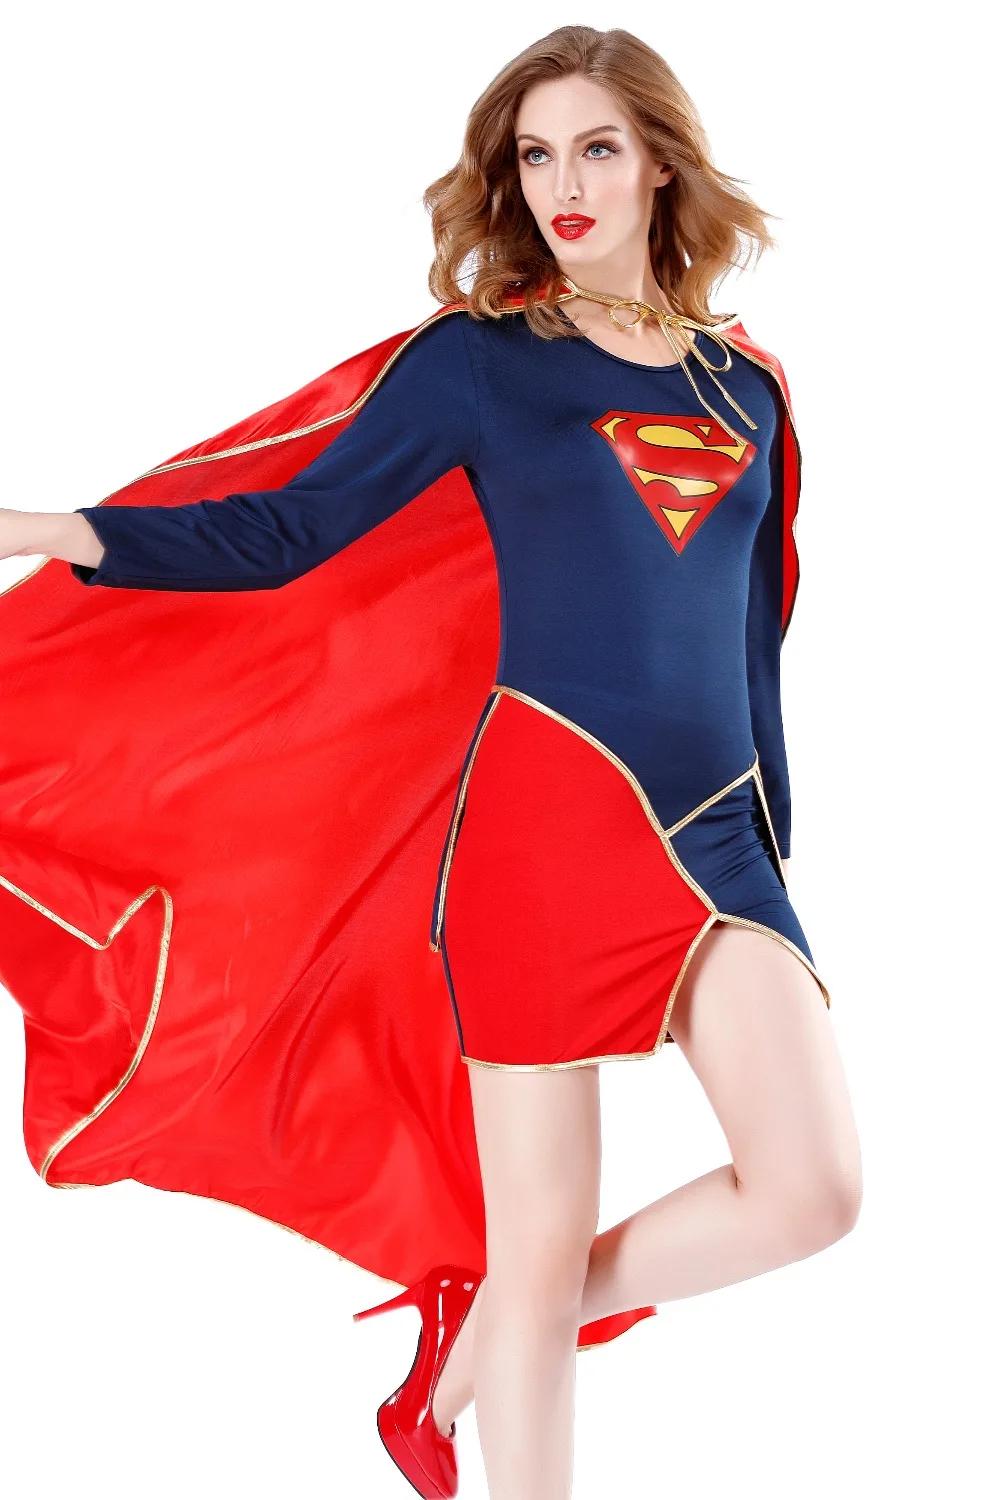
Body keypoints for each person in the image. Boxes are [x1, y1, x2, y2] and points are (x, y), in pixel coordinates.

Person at [0, 24, 862, 1500]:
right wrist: (44, 528)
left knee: (814, 1191)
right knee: (539, 1243)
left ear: (660, 163)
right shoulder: (479, 365)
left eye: (597, 149)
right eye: (536, 156)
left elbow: (751, 641)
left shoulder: (753, 393)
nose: (564, 186)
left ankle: (490, 1327)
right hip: (546, 827)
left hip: (721, 840)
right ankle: (510, 1328)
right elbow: (283, 531)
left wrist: (776, 846)